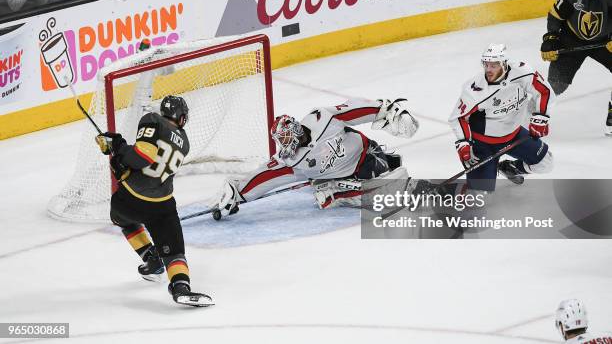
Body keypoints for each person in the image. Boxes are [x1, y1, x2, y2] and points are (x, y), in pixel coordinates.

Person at [96, 95, 213, 307]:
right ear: (181, 117)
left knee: (120, 217)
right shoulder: (184, 142)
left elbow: (142, 157)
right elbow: (150, 158)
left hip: (130, 201)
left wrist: (118, 148)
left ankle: (151, 259)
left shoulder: (152, 119)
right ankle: (180, 287)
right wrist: (119, 152)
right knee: (174, 252)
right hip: (163, 206)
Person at [217, 97, 419, 214]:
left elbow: (352, 109)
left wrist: (386, 111)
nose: (284, 145)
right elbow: (265, 176)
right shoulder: (291, 159)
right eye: (281, 140)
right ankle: (335, 192)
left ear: (297, 131)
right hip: (340, 177)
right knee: (387, 189)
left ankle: (336, 189)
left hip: (366, 155)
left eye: (286, 138)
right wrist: (238, 193)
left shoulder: (323, 120)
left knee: (392, 177)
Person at [448, 44, 555, 191]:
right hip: (483, 145)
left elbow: (544, 91)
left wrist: (541, 117)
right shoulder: (475, 91)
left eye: (493, 65)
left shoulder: (522, 72)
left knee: (545, 164)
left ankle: (511, 168)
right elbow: (458, 118)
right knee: (477, 199)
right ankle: (436, 191)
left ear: (504, 64)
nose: (488, 70)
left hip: (514, 135)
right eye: (486, 65)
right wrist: (463, 143)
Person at [540, 0, 612, 136]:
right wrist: (551, 38)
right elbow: (556, 15)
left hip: (604, 42)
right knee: (556, 84)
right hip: (571, 39)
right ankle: (530, 115)